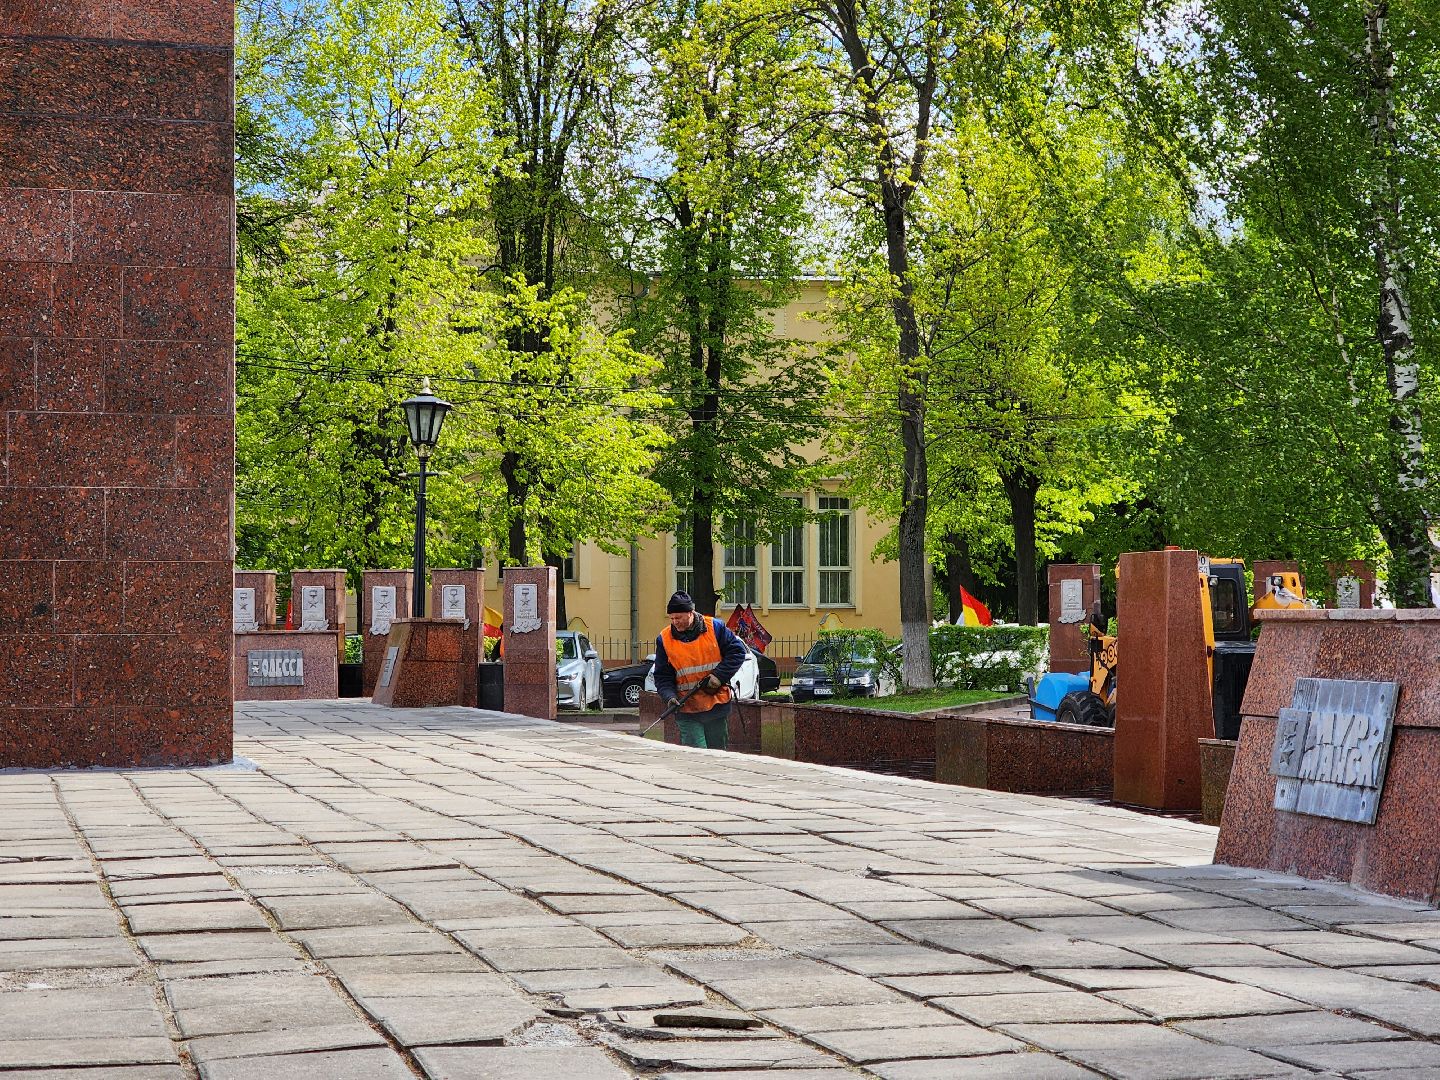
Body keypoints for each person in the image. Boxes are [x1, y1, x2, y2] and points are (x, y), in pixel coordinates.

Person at [653, 591, 748, 750]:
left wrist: (718, 677)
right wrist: (669, 697)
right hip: (686, 708)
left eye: (679, 618)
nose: (675, 622)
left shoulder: (715, 627)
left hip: (716, 705)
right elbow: (662, 676)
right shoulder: (664, 639)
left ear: (690, 613)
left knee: (717, 753)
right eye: (672, 618)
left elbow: (737, 652)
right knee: (696, 753)